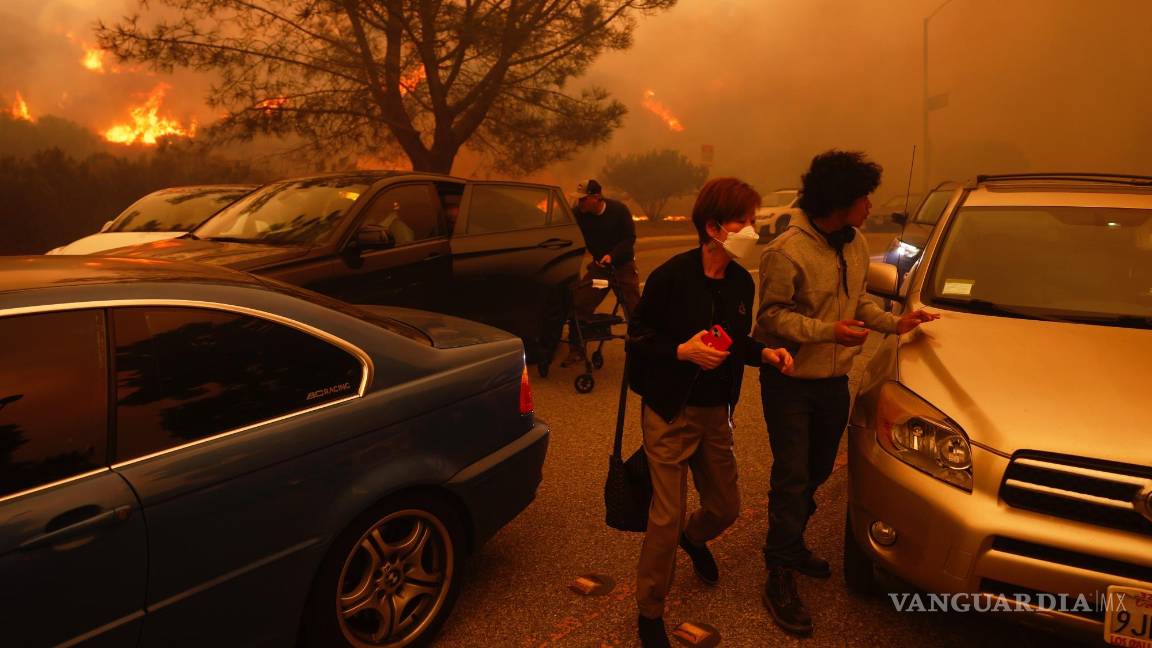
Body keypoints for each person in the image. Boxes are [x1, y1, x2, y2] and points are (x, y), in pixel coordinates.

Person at [754, 150, 939, 637]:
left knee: (816, 472)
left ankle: (790, 543)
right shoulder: (786, 251)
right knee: (792, 475)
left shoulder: (856, 242)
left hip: (834, 383)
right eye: (863, 197)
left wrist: (896, 323)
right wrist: (826, 331)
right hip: (790, 382)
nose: (870, 204)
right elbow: (769, 319)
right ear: (840, 200)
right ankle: (779, 569)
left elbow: (859, 302)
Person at [627, 177, 795, 648]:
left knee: (726, 507)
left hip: (715, 413)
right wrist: (681, 351)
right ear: (714, 226)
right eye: (745, 221)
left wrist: (765, 354)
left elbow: (735, 341)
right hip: (668, 412)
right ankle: (650, 610)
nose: (753, 230)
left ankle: (695, 538)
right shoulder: (671, 277)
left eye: (753, 221)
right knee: (665, 516)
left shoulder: (742, 282)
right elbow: (636, 338)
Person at [562, 179, 642, 367]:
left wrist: (612, 256)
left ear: (596, 197)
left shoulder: (619, 211)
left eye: (583, 199)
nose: (579, 203)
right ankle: (576, 350)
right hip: (599, 268)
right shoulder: (578, 215)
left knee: (634, 308)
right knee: (580, 303)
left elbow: (629, 238)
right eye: (578, 200)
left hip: (622, 265)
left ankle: (641, 350)